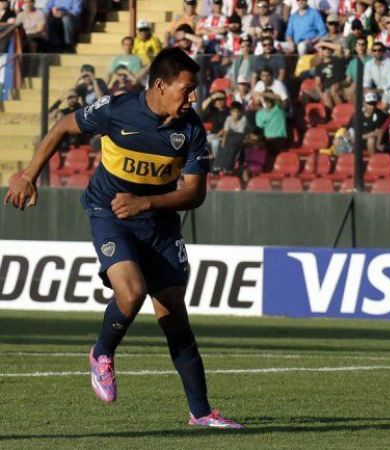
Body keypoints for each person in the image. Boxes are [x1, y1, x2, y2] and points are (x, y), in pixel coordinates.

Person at [3, 48, 242, 428]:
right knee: (130, 293)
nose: (193, 97)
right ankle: (102, 352)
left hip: (157, 221)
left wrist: (145, 202)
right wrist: (29, 175)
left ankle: (201, 413)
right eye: (187, 88)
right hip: (108, 212)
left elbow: (195, 194)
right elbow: (65, 124)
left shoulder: (192, 129)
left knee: (174, 316)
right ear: (161, 86)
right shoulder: (117, 109)